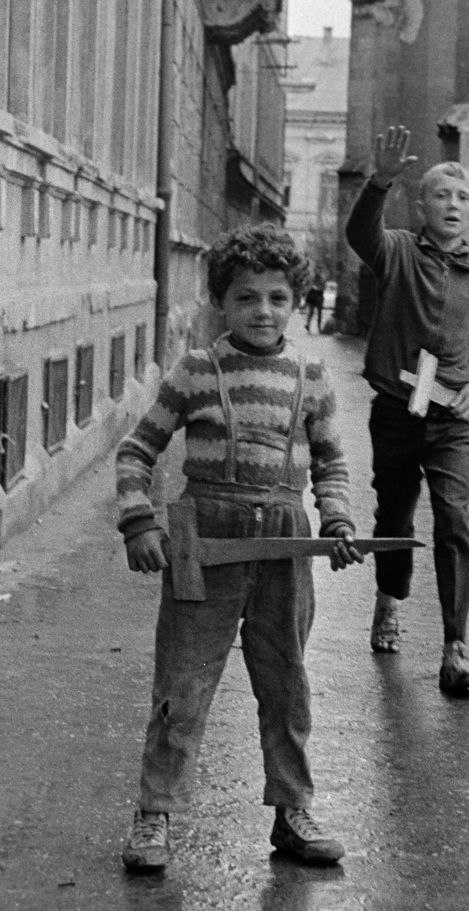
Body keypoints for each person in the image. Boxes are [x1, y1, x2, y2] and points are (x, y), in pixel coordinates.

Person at [115, 224, 363, 873]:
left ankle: (292, 810)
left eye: (277, 298)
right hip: (204, 541)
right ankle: (154, 813)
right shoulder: (196, 372)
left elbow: (333, 464)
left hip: (284, 540)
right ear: (220, 303)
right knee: (183, 682)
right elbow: (137, 451)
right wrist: (139, 524)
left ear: (295, 301)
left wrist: (335, 522)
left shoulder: (311, 376)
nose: (263, 311)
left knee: (286, 684)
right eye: (247, 297)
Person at [345, 126, 469, 695]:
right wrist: (379, 181)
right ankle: (389, 599)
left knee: (454, 518)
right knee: (394, 517)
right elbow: (359, 234)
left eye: (463, 198)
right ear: (421, 207)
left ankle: (455, 645)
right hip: (395, 409)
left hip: (451, 420)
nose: (452, 204)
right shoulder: (397, 253)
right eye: (441, 194)